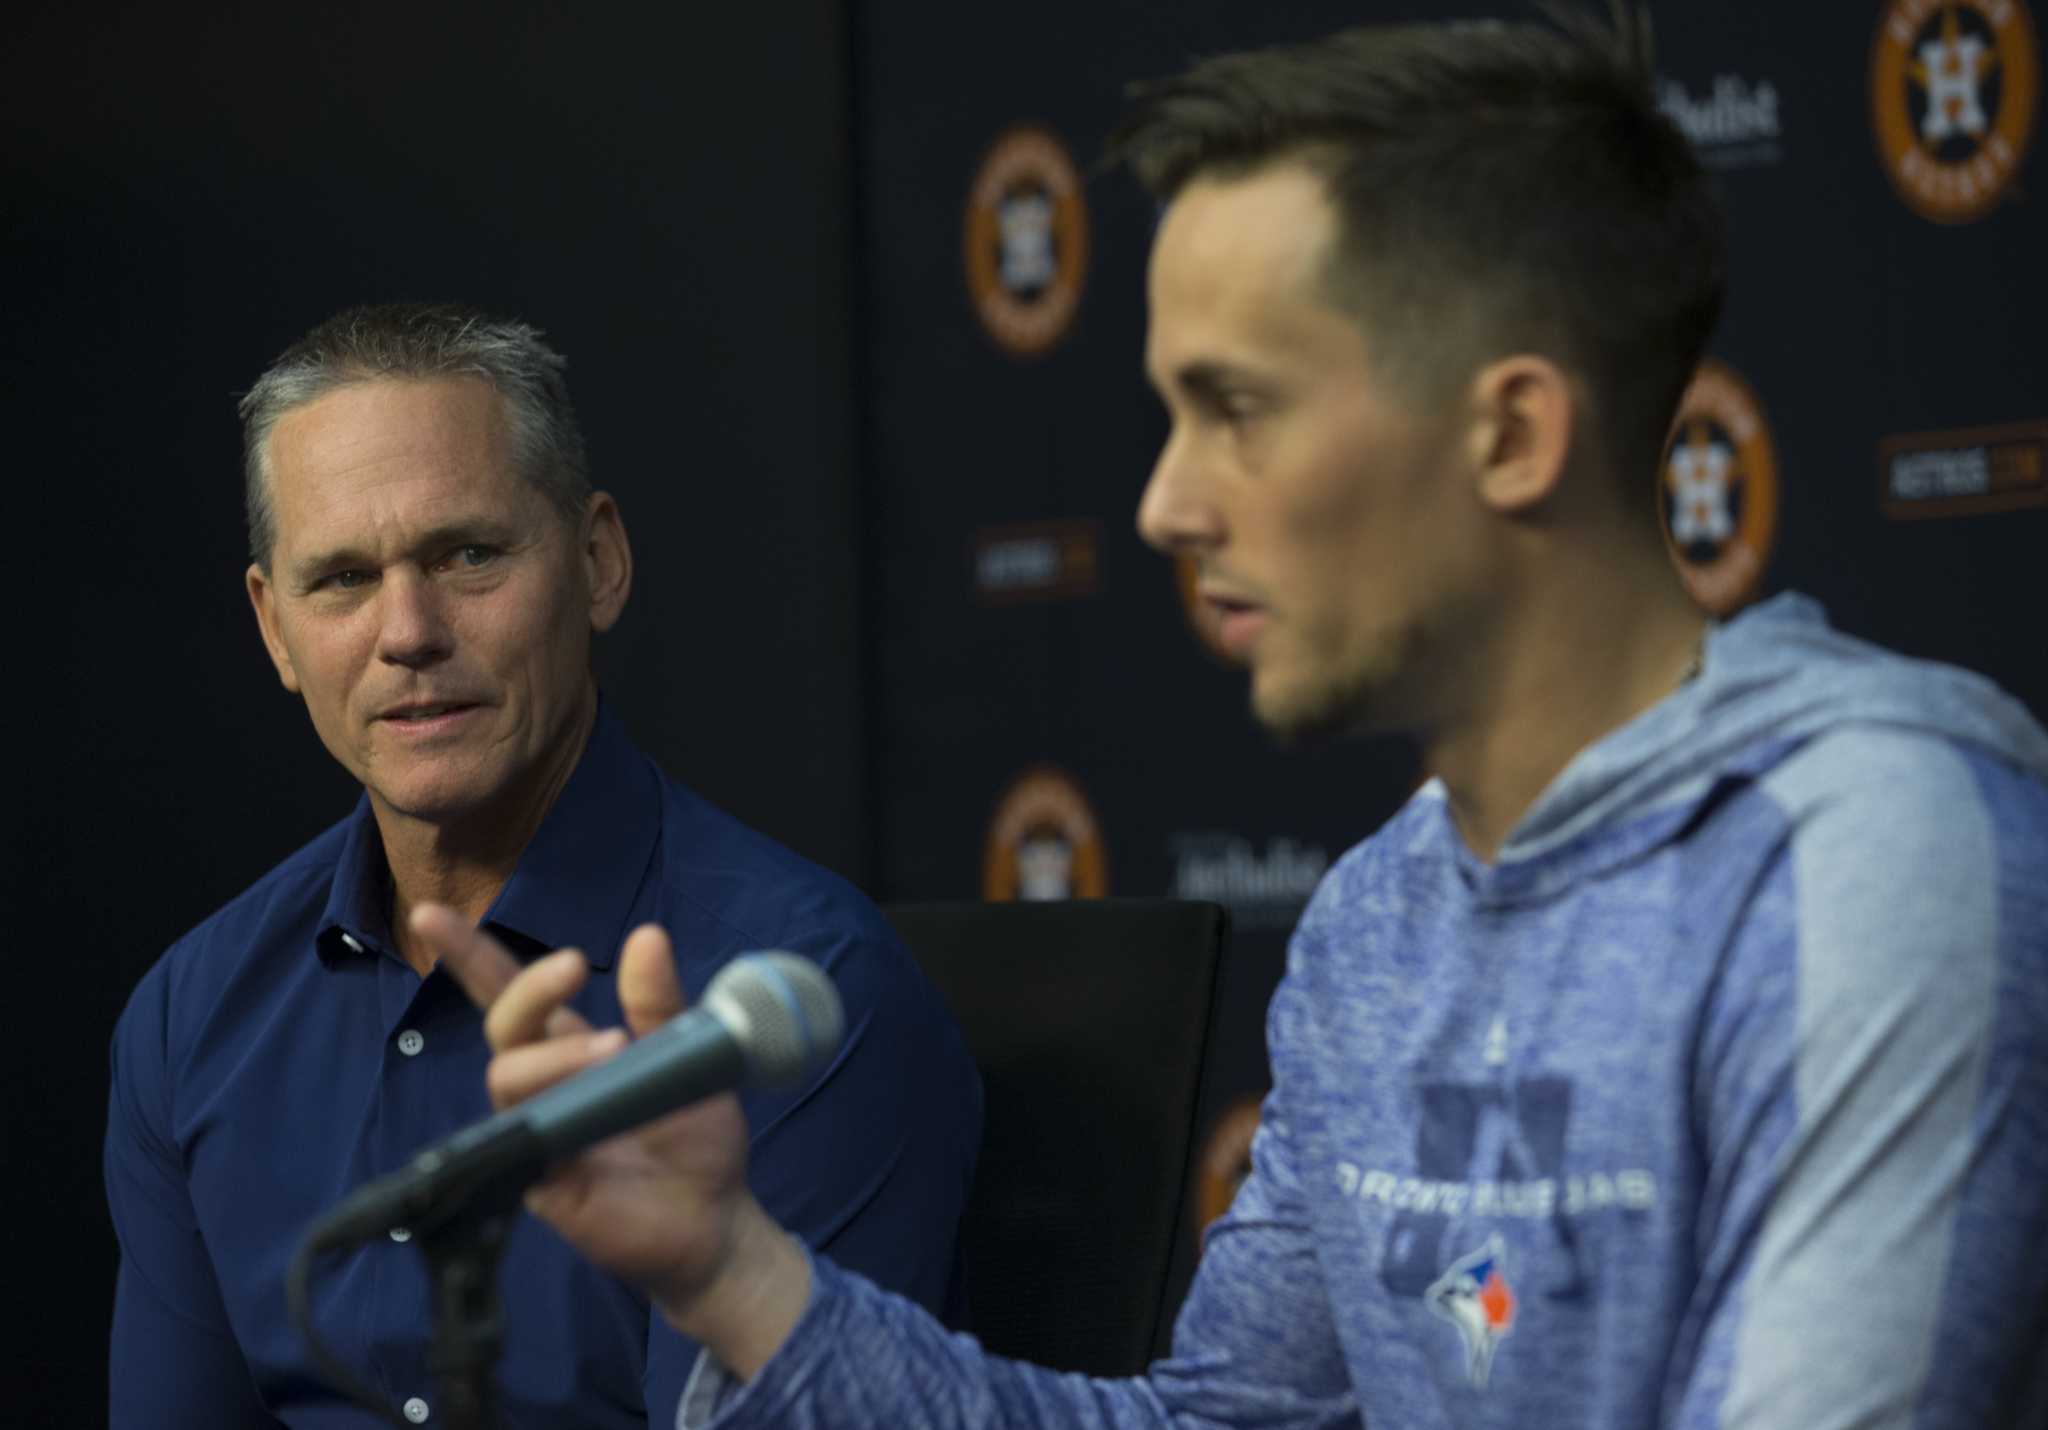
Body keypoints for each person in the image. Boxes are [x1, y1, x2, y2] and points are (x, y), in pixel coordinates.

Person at [432, 9, 2048, 1430]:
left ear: (1509, 431)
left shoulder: (1868, 860)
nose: (1160, 505)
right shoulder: (1381, 915)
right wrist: (730, 1271)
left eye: (1236, 408)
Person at [102, 303, 982, 1428]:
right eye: (341, 580)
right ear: (275, 629)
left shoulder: (793, 1000)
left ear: (597, 560)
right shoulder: (189, 1017)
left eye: (466, 553)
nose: (406, 629)